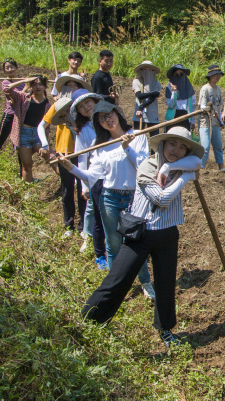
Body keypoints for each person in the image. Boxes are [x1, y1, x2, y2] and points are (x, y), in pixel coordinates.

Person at [80, 127, 203, 348]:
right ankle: (87, 320)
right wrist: (185, 177)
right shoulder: (147, 166)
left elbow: (198, 162)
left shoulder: (179, 165)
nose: (176, 150)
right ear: (162, 145)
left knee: (166, 285)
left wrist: (170, 167)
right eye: (172, 144)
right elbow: (162, 199)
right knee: (118, 279)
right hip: (141, 233)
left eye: (182, 147)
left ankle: (165, 330)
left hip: (168, 234)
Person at [60, 101, 154, 297]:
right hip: (109, 197)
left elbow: (143, 167)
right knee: (112, 243)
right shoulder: (100, 145)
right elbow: (91, 176)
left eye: (109, 114)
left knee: (135, 242)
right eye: (102, 119)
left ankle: (145, 283)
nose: (107, 120)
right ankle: (115, 289)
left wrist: (127, 147)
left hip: (133, 198)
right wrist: (71, 168)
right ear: (99, 124)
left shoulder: (137, 136)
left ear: (117, 113)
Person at [38, 95, 86, 237]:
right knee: (67, 188)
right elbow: (41, 125)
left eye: (74, 84)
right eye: (68, 84)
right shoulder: (58, 106)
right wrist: (45, 144)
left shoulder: (81, 105)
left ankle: (83, 225)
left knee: (83, 189)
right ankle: (69, 225)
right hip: (64, 152)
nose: (70, 86)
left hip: (81, 152)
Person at [68, 89, 107, 261]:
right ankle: (87, 237)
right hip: (96, 172)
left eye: (87, 102)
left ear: (95, 101)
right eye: (81, 106)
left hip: (113, 170)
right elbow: (82, 158)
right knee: (92, 207)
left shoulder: (107, 118)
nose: (86, 107)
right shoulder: (83, 130)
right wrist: (84, 185)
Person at [4, 75, 52, 183]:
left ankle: (65, 183)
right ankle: (28, 189)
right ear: (30, 86)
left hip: (38, 135)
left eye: (40, 84)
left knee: (51, 158)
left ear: (45, 86)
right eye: (34, 84)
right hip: (24, 135)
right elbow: (7, 89)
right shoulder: (23, 98)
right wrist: (24, 81)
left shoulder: (48, 105)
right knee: (27, 165)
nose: (38, 87)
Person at [0, 58, 23, 165]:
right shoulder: (5, 82)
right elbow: (16, 97)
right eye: (7, 68)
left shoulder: (23, 81)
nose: (10, 70)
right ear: (4, 70)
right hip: (9, 116)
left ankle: (23, 171)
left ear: (16, 68)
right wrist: (25, 83)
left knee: (20, 144)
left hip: (21, 116)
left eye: (12, 67)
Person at [199, 65, 225, 169]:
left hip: (215, 121)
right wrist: (210, 112)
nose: (218, 77)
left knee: (218, 145)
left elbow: (219, 106)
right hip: (205, 121)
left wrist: (220, 121)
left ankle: (221, 166)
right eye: (215, 75)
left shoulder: (218, 89)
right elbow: (202, 106)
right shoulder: (205, 89)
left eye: (219, 75)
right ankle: (201, 167)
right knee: (205, 147)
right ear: (210, 76)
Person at [132, 60, 162, 136]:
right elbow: (139, 95)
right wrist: (154, 93)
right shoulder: (137, 81)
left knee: (155, 136)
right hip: (139, 113)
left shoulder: (156, 83)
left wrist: (142, 106)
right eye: (145, 69)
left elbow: (152, 98)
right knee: (138, 137)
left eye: (150, 69)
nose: (148, 71)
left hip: (152, 112)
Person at [165, 64, 196, 132]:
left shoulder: (189, 90)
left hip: (186, 118)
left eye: (181, 74)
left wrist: (193, 121)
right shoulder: (169, 90)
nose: (179, 77)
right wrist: (174, 92)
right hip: (172, 118)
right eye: (176, 75)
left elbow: (192, 107)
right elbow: (170, 105)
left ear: (184, 75)